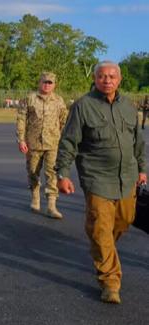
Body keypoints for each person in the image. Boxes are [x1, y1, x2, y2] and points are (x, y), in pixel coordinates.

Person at [56, 61, 146, 304]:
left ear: (120, 79)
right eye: (102, 76)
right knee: (101, 228)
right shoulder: (83, 106)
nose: (107, 80)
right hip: (97, 178)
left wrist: (143, 169)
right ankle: (110, 281)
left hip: (126, 178)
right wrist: (62, 174)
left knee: (124, 220)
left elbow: (139, 141)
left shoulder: (128, 107)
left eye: (112, 76)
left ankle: (101, 245)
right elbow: (68, 143)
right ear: (95, 79)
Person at [16, 72, 68, 219]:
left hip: (53, 143)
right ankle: (35, 197)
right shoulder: (30, 98)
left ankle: (52, 205)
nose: (47, 85)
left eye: (50, 82)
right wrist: (21, 139)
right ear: (39, 82)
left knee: (52, 173)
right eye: (45, 82)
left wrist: (63, 139)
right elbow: (21, 119)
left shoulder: (59, 100)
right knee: (33, 171)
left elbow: (64, 120)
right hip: (33, 143)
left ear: (54, 85)